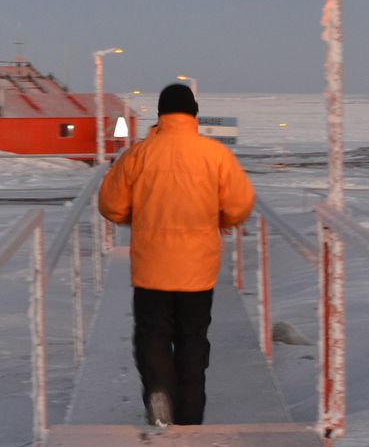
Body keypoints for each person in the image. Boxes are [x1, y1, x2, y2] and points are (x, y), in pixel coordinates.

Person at [98, 83, 255, 426]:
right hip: (197, 270)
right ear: (194, 115)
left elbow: (110, 205)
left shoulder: (139, 154)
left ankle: (158, 390)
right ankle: (190, 414)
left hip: (152, 267)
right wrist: (223, 219)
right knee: (192, 339)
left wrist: (133, 216)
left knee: (152, 333)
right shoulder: (215, 155)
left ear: (161, 115)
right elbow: (240, 204)